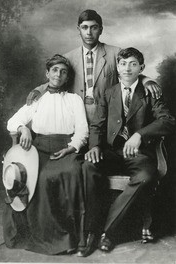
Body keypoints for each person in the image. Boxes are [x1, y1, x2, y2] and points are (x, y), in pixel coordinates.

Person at [83, 47, 175, 254]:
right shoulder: (108, 93)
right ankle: (90, 230)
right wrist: (95, 146)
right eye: (123, 64)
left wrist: (139, 134)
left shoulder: (150, 93)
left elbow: (168, 121)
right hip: (111, 152)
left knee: (145, 176)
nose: (127, 68)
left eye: (133, 64)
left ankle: (107, 232)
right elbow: (97, 125)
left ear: (141, 68)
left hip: (139, 153)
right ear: (117, 67)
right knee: (88, 165)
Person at [3, 54, 89, 255]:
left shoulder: (74, 99)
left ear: (67, 77)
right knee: (38, 178)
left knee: (72, 173)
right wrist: (24, 129)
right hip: (38, 150)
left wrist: (71, 147)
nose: (58, 74)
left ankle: (71, 238)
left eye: (63, 71)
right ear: (47, 74)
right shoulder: (36, 100)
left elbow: (83, 130)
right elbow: (12, 122)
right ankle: (42, 237)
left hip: (66, 148)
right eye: (55, 70)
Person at [26, 9, 162, 124]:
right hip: (76, 114)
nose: (89, 33)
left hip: (107, 114)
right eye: (85, 27)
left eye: (94, 27)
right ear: (78, 29)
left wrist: (147, 81)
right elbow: (56, 79)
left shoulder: (114, 52)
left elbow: (130, 71)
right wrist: (39, 90)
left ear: (101, 30)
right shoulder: (69, 57)